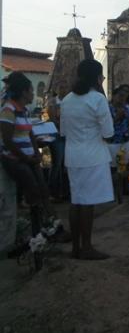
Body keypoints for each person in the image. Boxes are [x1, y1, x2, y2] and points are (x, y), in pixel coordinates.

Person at [61, 60, 114, 259]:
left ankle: (76, 247)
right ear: (97, 77)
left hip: (73, 156)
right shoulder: (97, 99)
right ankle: (87, 248)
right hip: (92, 156)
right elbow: (108, 133)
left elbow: (64, 131)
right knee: (88, 204)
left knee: (76, 201)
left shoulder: (67, 99)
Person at [0, 72, 62, 239]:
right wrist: (26, 158)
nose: (33, 94)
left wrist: (36, 154)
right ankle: (41, 228)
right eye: (31, 90)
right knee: (33, 192)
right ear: (23, 92)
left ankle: (54, 224)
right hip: (16, 159)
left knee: (43, 190)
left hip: (30, 158)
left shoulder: (24, 110)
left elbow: (30, 135)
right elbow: (7, 141)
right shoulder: (8, 109)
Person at [108, 87, 129, 199]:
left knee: (124, 166)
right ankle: (114, 191)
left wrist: (128, 117)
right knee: (113, 168)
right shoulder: (108, 109)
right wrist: (117, 117)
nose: (122, 98)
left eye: (124, 96)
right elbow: (107, 126)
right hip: (113, 141)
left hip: (126, 140)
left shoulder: (127, 107)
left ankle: (125, 189)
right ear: (113, 96)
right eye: (120, 96)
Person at [46, 83, 69, 200]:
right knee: (56, 163)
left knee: (66, 164)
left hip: (68, 136)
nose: (63, 89)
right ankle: (52, 191)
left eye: (65, 87)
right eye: (61, 87)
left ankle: (64, 191)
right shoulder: (52, 102)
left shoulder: (70, 101)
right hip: (57, 135)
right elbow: (52, 118)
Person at [115, 84, 129, 155]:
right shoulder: (112, 104)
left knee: (127, 156)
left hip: (128, 132)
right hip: (116, 136)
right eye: (123, 91)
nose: (125, 93)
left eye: (127, 91)